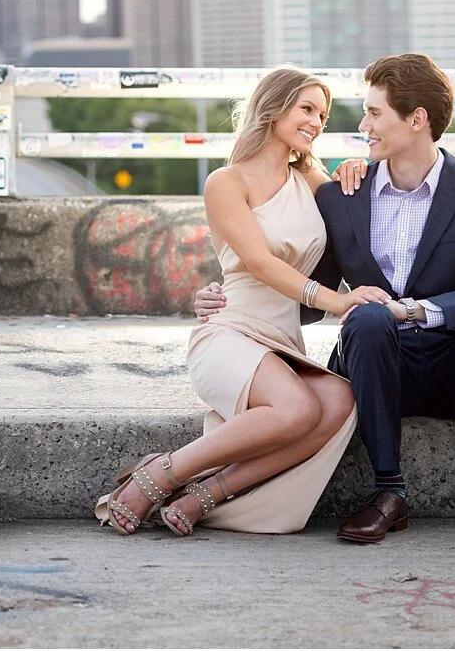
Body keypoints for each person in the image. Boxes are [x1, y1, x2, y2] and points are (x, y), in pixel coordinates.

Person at [194, 53, 455, 576]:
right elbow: (311, 293)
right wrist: (223, 293)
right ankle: (388, 493)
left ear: (416, 119)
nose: (362, 126)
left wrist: (418, 311)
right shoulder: (342, 196)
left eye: (374, 114)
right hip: (376, 369)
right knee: (370, 318)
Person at [96, 66, 386, 537]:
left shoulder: (312, 184)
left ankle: (205, 495)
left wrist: (358, 171)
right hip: (230, 331)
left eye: (324, 115)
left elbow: (357, 211)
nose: (317, 121)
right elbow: (256, 262)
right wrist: (340, 303)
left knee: (339, 401)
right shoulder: (225, 182)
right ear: (273, 108)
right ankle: (160, 474)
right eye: (306, 109)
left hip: (281, 338)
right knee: (298, 410)